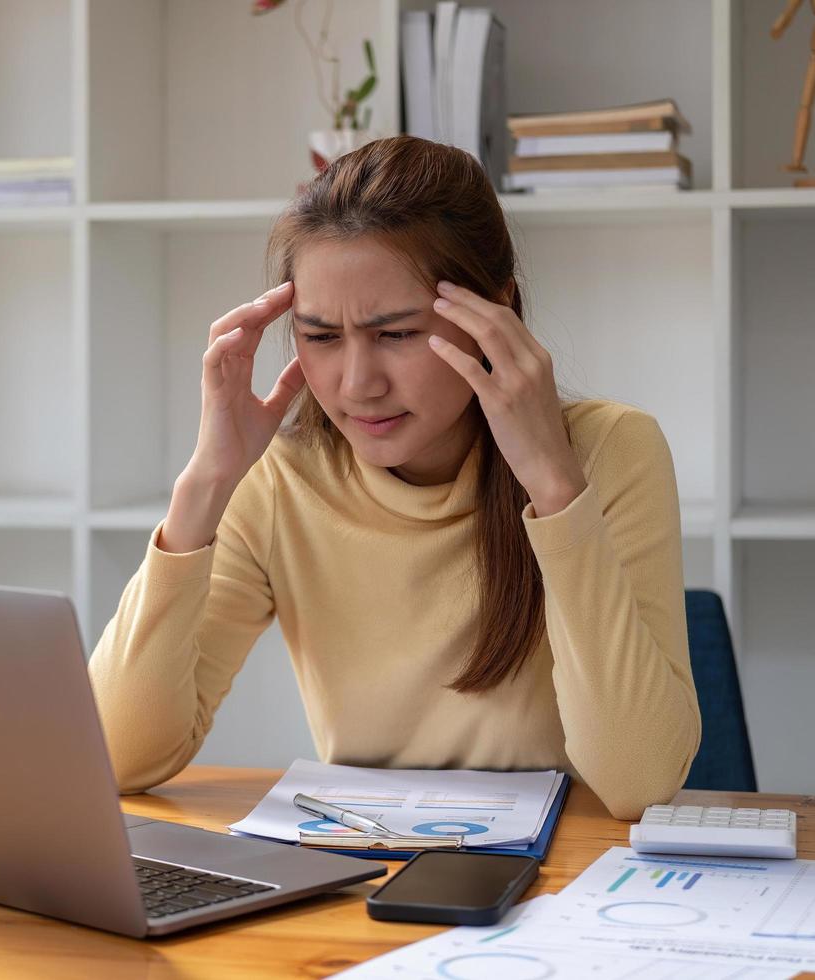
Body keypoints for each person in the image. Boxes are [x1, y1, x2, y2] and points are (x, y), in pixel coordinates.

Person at [88, 136, 699, 820]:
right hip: (361, 885)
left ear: (496, 312)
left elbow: (640, 782)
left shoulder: (611, 451)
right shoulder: (280, 480)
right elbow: (115, 758)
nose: (357, 384)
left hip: (565, 890)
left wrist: (555, 490)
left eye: (398, 334)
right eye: (320, 338)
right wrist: (204, 487)